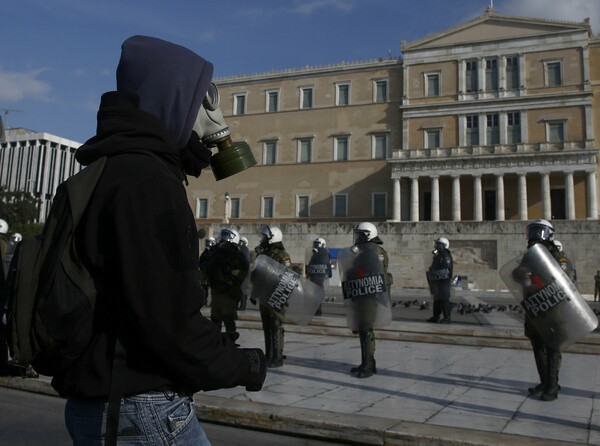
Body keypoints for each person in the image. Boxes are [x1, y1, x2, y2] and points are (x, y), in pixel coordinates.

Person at [56, 35, 266, 445]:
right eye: (202, 98)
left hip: (97, 400)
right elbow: (170, 321)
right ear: (172, 98)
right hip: (141, 407)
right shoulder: (149, 182)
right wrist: (243, 366)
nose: (214, 116)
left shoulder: (107, 169)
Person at [519, 219, 566, 401]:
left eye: (539, 231)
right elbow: (517, 274)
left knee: (552, 347)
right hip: (534, 308)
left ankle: (553, 385)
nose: (535, 236)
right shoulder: (529, 256)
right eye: (533, 231)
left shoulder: (557, 257)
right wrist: (523, 275)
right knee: (537, 345)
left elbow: (563, 280)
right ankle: (544, 381)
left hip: (553, 309)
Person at [349, 222, 391, 379]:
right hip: (361, 295)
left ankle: (368, 364)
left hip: (370, 296)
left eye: (360, 234)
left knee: (366, 330)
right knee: (363, 330)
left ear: (367, 235)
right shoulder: (363, 251)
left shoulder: (376, 252)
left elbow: (376, 273)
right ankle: (366, 362)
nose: (357, 237)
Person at [254, 225, 291, 368]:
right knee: (267, 325)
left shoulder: (283, 255)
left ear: (272, 238)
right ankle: (269, 353)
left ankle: (277, 356)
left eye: (264, 237)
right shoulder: (264, 254)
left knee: (275, 325)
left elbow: (287, 275)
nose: (262, 239)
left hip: (276, 295)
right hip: (264, 295)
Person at [204, 228, 249, 336]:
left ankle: (231, 344)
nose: (223, 239)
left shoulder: (236, 254)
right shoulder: (216, 252)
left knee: (228, 320)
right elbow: (208, 266)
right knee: (215, 320)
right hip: (216, 290)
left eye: (226, 236)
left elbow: (244, 271)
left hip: (228, 292)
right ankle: (216, 345)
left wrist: (232, 274)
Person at [426, 237, 454, 323]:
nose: (437, 246)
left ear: (444, 246)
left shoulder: (446, 256)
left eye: (439, 244)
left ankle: (447, 317)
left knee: (444, 300)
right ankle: (436, 316)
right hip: (437, 281)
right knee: (437, 299)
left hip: (443, 281)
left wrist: (436, 273)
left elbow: (446, 269)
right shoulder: (438, 255)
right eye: (437, 244)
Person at [306, 237, 332, 316]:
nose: (315, 246)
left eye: (317, 244)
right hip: (315, 276)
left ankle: (317, 311)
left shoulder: (324, 254)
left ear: (322, 245)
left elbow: (327, 265)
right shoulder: (316, 254)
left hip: (318, 276)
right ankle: (316, 310)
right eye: (315, 244)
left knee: (316, 294)